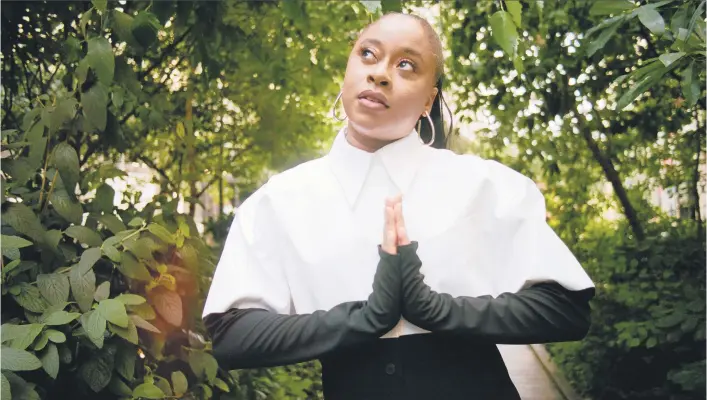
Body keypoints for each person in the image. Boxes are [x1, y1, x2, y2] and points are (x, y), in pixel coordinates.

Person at [202, 12, 595, 399]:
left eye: (406, 65)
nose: (380, 73)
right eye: (368, 55)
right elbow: (233, 336)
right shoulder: (281, 201)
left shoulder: (484, 185)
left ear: (430, 98)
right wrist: (366, 317)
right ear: (347, 70)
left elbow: (566, 311)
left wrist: (437, 310)